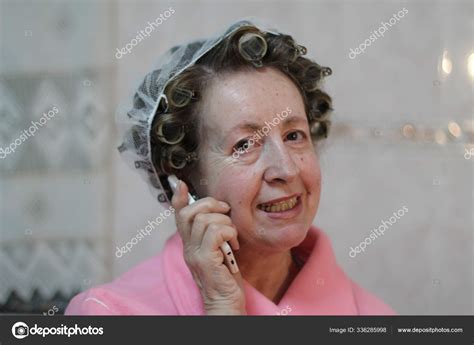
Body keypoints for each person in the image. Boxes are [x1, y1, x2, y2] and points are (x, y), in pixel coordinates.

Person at [65, 18, 396, 315]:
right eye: (245, 145)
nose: (286, 169)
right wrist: (222, 308)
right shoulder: (109, 313)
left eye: (294, 135)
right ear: (184, 178)